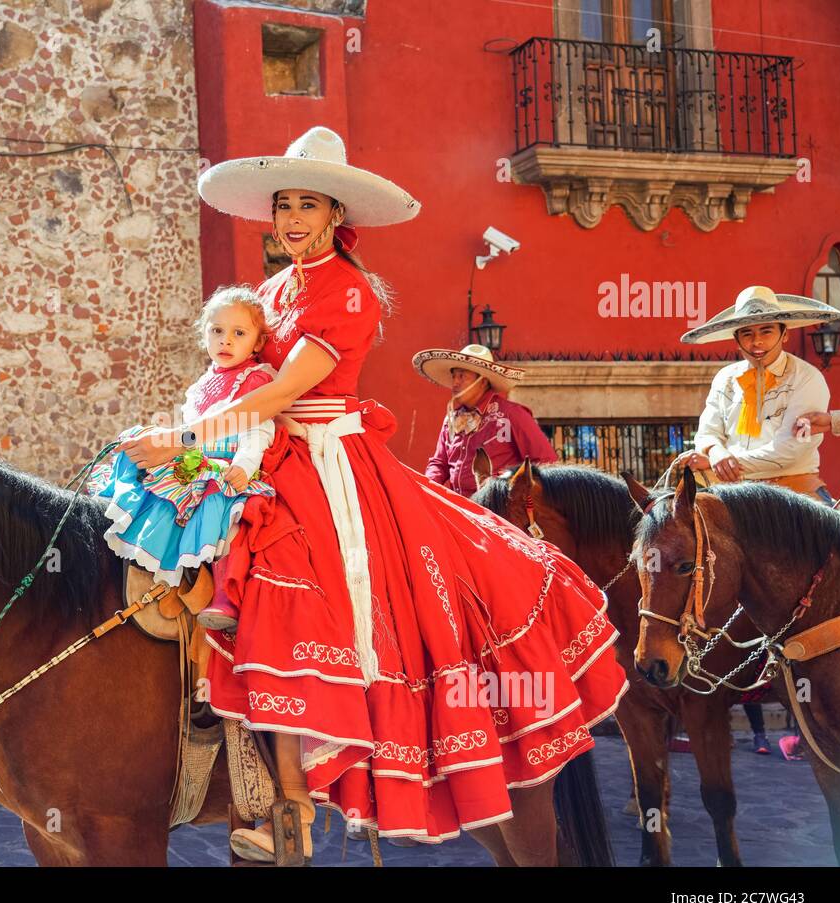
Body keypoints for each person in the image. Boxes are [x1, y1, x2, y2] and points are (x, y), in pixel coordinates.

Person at [120, 127, 629, 861]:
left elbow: (287, 390)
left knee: (291, 581)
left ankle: (297, 780)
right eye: (283, 205)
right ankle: (225, 746)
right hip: (266, 448)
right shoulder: (268, 291)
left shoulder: (348, 290)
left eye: (308, 205)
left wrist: (186, 440)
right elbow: (240, 377)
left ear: (335, 216)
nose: (292, 218)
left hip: (328, 459)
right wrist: (187, 428)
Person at [92, 285, 279, 631]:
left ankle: (227, 592)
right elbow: (191, 430)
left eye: (239, 333)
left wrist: (244, 464)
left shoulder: (255, 379)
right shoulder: (204, 384)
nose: (226, 341)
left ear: (256, 343)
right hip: (195, 458)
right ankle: (145, 560)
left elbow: (258, 427)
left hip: (228, 466)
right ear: (204, 334)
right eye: (217, 331)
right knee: (148, 458)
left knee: (231, 515)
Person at [678, 285, 840, 503]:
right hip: (732, 494)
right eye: (747, 333)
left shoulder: (808, 378)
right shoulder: (725, 378)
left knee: (839, 536)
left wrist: (727, 462)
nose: (757, 342)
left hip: (794, 493)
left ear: (784, 334)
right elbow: (707, 433)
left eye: (766, 331)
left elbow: (791, 450)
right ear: (737, 340)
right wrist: (716, 452)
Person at [414, 344, 558, 496]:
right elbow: (440, 463)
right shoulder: (451, 419)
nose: (454, 383)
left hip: (498, 513)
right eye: (454, 376)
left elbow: (546, 463)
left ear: (482, 381)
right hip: (458, 509)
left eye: (462, 376)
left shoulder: (512, 415)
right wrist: (426, 488)